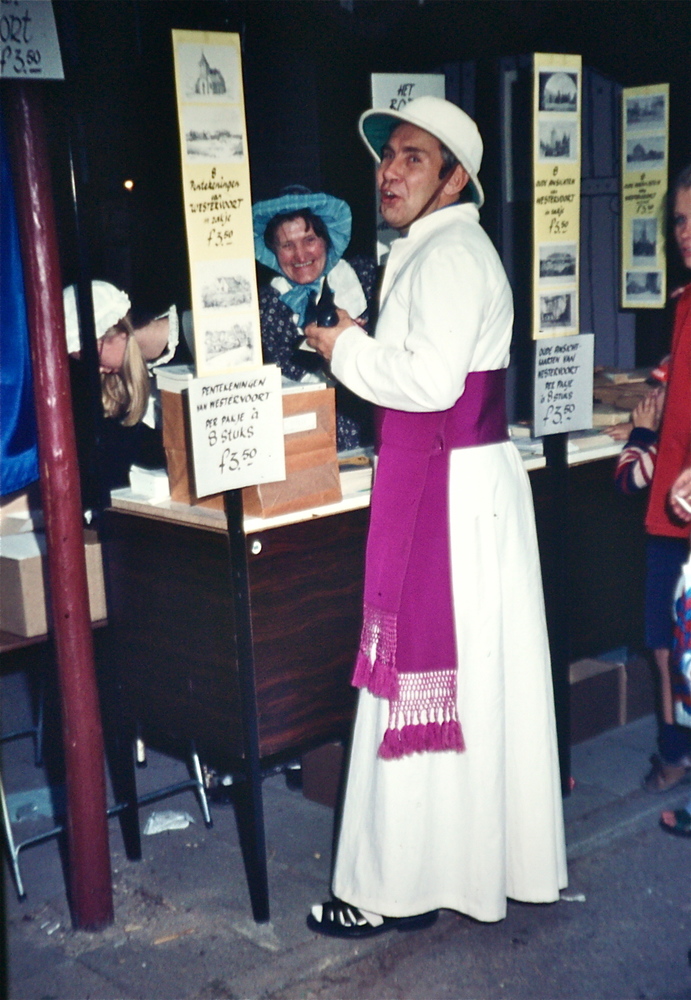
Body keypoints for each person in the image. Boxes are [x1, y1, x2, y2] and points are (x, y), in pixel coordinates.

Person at [303, 96, 567, 936]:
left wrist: (343, 347)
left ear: (455, 179)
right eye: (387, 155)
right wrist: (360, 341)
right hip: (454, 483)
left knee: (426, 678)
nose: (389, 171)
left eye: (413, 158)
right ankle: (433, 874)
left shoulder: (450, 255)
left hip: (450, 490)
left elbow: (429, 382)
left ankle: (392, 886)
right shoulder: (434, 249)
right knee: (469, 682)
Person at [252, 188, 377, 451]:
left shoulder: (366, 278)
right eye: (287, 245)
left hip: (376, 433)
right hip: (309, 441)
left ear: (327, 240)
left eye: (309, 240)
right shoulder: (266, 305)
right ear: (274, 251)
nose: (300, 256)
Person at [640, 164, 691, 793]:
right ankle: (674, 750)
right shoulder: (682, 305)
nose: (685, 232)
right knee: (662, 638)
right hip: (668, 505)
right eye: (680, 220)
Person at [62, 280, 179, 429]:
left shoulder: (195, 335)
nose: (98, 370)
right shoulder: (120, 393)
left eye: (94, 358)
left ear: (118, 333)